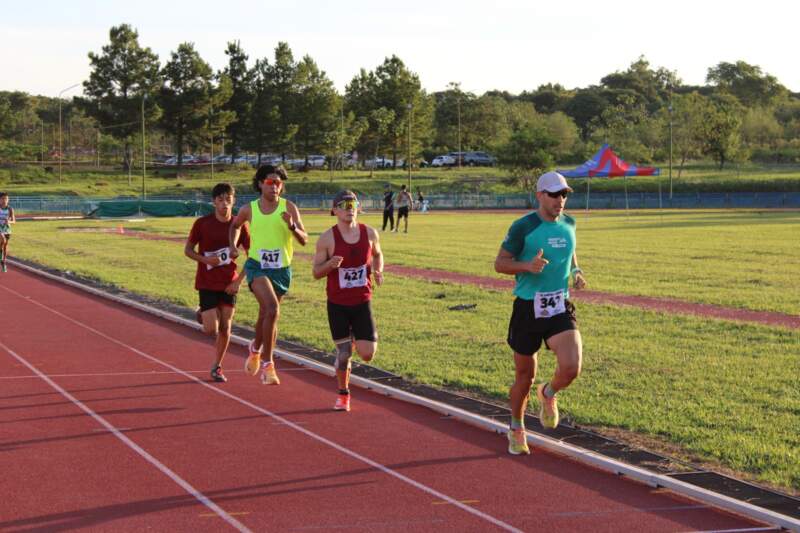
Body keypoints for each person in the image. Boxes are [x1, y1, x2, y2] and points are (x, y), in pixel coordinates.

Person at [494, 171, 587, 455]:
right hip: (527, 308)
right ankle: (516, 426)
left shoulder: (569, 223)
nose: (561, 200)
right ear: (540, 196)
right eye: (555, 194)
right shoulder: (524, 226)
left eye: (564, 194)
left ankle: (548, 394)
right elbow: (500, 263)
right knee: (525, 376)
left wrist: (576, 271)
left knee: (571, 367)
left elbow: (569, 252)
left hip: (558, 305)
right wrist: (527, 267)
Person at [229, 165, 308, 386]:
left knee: (267, 314)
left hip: (282, 269)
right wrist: (233, 245)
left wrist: (292, 226)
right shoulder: (249, 209)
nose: (275, 187)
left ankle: (254, 349)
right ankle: (268, 365)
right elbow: (235, 226)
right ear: (261, 183)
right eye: (271, 182)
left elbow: (304, 239)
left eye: (279, 183)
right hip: (257, 266)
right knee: (272, 309)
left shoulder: (289, 207)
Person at [312, 190, 384, 411]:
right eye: (344, 205)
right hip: (338, 304)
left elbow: (378, 254)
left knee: (368, 354)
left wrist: (378, 270)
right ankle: (343, 394)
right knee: (344, 355)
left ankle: (353, 339)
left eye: (353, 203)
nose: (349, 208)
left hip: (362, 301)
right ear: (334, 210)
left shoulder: (370, 233)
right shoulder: (327, 238)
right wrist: (330, 265)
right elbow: (316, 272)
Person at [184, 183, 250, 383]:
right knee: (210, 329)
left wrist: (239, 281)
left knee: (226, 328)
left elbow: (253, 255)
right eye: (220, 200)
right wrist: (206, 260)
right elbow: (188, 250)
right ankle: (202, 313)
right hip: (206, 281)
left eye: (228, 200)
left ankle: (217, 366)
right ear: (214, 202)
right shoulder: (202, 223)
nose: (224, 204)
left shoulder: (240, 226)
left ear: (234, 201)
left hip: (228, 282)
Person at [0, 192, 16, 273]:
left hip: (7, 229)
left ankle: (3, 262)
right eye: (2, 199)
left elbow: (14, 221)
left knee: (5, 246)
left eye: (6, 199)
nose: (4, 200)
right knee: (3, 240)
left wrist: (8, 221)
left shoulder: (10, 209)